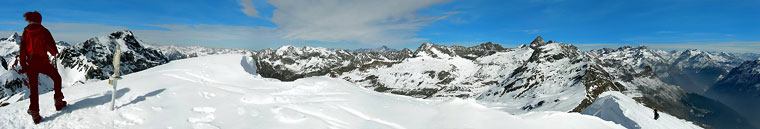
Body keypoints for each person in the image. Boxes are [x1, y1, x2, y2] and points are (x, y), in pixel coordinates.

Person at [18, 11, 66, 124]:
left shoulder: (26, 32)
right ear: (39, 20)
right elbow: (51, 47)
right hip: (43, 62)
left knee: (34, 89)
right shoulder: (44, 31)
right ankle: (58, 102)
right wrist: (55, 52)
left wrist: (24, 65)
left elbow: (22, 50)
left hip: (31, 64)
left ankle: (35, 112)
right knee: (57, 78)